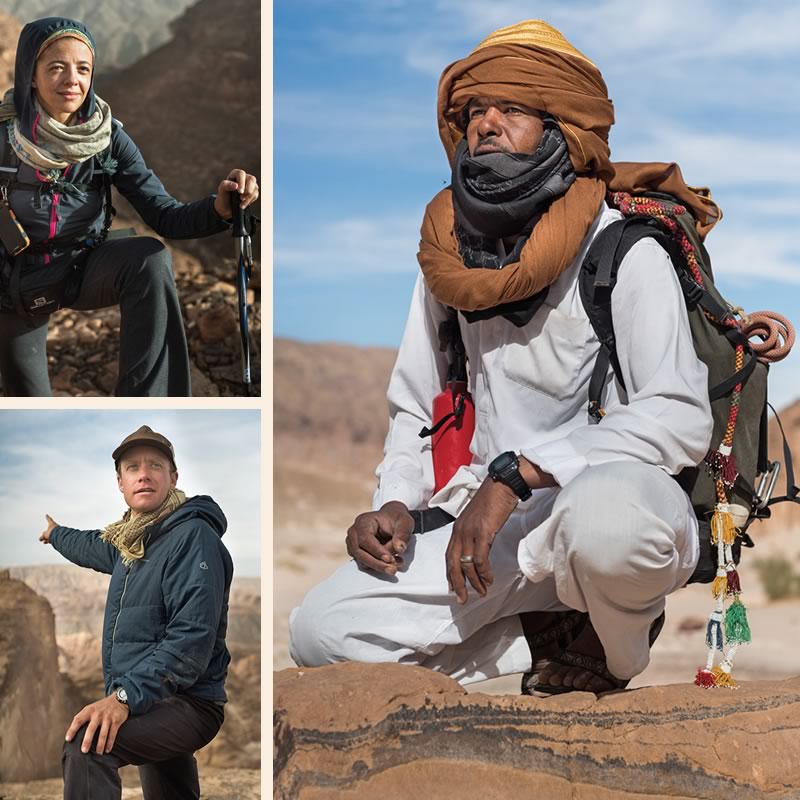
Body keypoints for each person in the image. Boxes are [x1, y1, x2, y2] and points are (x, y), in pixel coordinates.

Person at [288, 20, 717, 695]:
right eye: (473, 112)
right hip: (491, 526)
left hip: (612, 503)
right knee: (321, 632)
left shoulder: (626, 250)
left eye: (510, 108)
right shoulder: (447, 257)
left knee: (606, 525)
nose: (485, 124)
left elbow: (680, 416)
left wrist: (518, 473)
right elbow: (413, 405)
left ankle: (616, 647)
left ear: (559, 128)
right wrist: (397, 503)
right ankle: (542, 640)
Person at [0, 17, 259, 396]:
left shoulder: (108, 139)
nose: (72, 79)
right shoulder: (4, 138)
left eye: (83, 68)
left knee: (150, 258)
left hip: (82, 266)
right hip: (14, 286)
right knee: (28, 400)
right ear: (31, 76)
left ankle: (146, 398)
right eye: (56, 67)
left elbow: (165, 216)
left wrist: (219, 209)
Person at [39, 424, 234, 799]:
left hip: (187, 702)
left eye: (155, 465)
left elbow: (190, 638)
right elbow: (91, 545)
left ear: (173, 477)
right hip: (153, 696)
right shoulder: (132, 543)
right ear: (121, 482)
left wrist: (123, 698)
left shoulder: (193, 538)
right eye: (133, 467)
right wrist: (56, 534)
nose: (144, 474)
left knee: (89, 745)